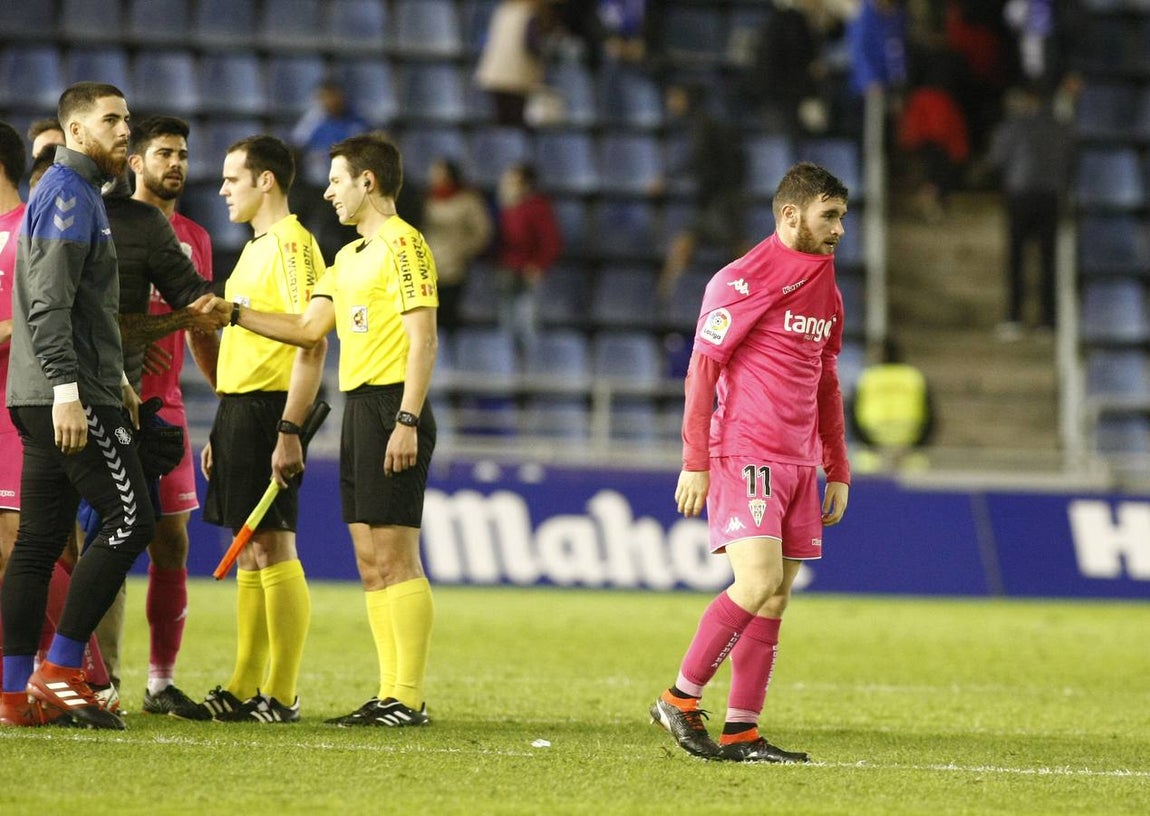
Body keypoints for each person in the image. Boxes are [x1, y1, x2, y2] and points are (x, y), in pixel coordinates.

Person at [199, 131, 439, 728]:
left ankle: (407, 697)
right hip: (359, 407)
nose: (328, 192)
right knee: (369, 558)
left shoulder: (405, 244)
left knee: (396, 555)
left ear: (367, 181)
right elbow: (308, 330)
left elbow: (424, 340)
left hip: (392, 406)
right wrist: (232, 314)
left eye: (336, 181)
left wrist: (407, 418)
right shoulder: (348, 258)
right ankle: (389, 693)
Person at [651, 162, 851, 763]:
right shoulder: (740, 280)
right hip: (747, 452)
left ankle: (742, 730)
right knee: (757, 582)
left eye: (842, 217)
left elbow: (826, 380)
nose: (840, 229)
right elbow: (702, 372)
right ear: (790, 215)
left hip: (800, 461)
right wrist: (695, 460)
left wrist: (837, 466)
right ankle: (680, 699)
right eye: (829, 216)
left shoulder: (828, 286)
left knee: (775, 597)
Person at [0, 82, 156, 729]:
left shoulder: (79, 191)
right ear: (75, 130)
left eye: (127, 118)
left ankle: (12, 693)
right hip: (67, 396)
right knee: (131, 520)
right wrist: (70, 390)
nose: (125, 129)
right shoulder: (69, 193)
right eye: (111, 119)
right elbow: (49, 303)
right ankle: (62, 668)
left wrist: (115, 376)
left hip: (50, 391)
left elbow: (81, 306)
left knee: (38, 542)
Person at [194, 135, 327, 724]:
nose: (223, 189)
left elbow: (310, 337)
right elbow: (247, 343)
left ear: (265, 180)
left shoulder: (294, 245)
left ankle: (282, 691)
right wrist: (221, 427)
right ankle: (244, 683)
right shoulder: (254, 248)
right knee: (249, 549)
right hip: (239, 411)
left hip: (272, 409)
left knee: (274, 544)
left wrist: (290, 428)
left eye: (232, 178)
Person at [125, 115, 220, 719]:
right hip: (109, 403)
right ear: (136, 162)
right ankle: (80, 672)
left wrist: (228, 399)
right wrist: (141, 337)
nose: (176, 164)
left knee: (172, 541)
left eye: (182, 154)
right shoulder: (111, 224)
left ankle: (160, 683)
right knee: (88, 542)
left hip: (170, 409)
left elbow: (204, 327)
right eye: (164, 153)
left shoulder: (195, 237)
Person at [987, 82, 1073, 341]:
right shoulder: (1062, 127)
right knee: (1049, 260)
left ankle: (1014, 318)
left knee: (1017, 259)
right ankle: (1049, 320)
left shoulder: (1012, 126)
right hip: (1050, 197)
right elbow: (1071, 162)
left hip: (1021, 197)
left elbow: (996, 159)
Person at [657, 82, 748, 300]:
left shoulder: (702, 124)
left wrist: (668, 178)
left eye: (675, 97)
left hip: (721, 201)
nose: (671, 103)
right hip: (720, 200)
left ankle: (663, 300)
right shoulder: (705, 123)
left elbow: (699, 160)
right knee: (691, 242)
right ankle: (664, 300)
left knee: (737, 247)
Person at [494, 163, 561, 355]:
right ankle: (507, 359)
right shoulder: (502, 207)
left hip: (528, 273)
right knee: (506, 320)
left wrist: (539, 265)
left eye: (513, 181)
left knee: (527, 320)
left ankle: (530, 358)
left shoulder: (537, 207)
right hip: (507, 270)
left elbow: (551, 241)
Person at [422, 158, 492, 332]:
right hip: (427, 267)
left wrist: (463, 250)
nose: (433, 177)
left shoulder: (468, 201)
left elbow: (482, 231)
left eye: (438, 173)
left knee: (449, 315)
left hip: (455, 268)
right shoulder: (425, 200)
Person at [848, 337, 935, 472]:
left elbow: (852, 416)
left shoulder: (866, 378)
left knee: (864, 473)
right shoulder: (914, 377)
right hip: (910, 455)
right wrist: (915, 446)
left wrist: (872, 446)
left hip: (871, 455)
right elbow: (930, 418)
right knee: (917, 474)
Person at [475, 0, 547, 128]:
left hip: (494, 74)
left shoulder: (503, 10)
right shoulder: (528, 14)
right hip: (516, 76)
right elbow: (532, 45)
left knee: (501, 120)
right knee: (515, 120)